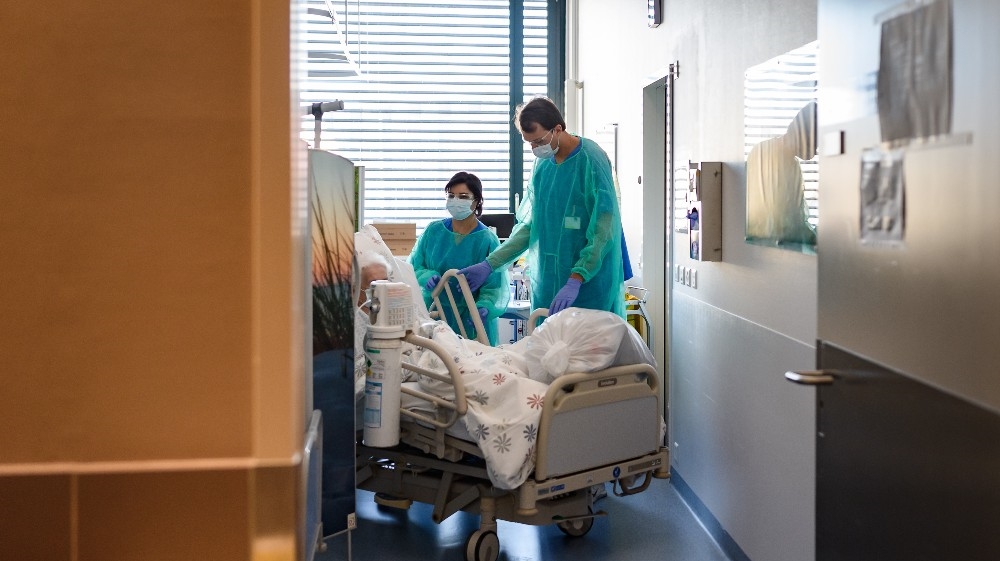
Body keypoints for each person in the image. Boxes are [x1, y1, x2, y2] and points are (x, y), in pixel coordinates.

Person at [458, 96, 625, 318]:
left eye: (538, 141)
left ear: (557, 129)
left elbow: (603, 231)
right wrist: (491, 264)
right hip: (547, 283)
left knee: (587, 348)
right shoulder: (543, 165)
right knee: (548, 347)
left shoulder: (591, 160)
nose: (535, 148)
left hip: (588, 286)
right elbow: (530, 227)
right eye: (530, 143)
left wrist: (577, 277)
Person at [409, 171, 510, 345]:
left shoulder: (487, 239)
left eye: (463, 197)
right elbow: (414, 266)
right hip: (435, 314)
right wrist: (427, 276)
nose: (456, 201)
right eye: (451, 196)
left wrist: (484, 307)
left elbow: (494, 286)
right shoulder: (434, 231)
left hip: (471, 321)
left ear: (476, 201)